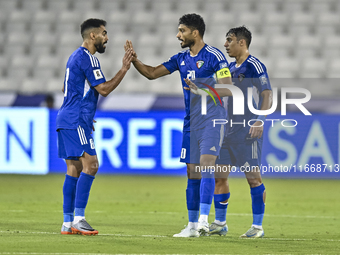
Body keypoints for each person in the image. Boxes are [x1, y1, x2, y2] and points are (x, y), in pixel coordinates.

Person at [124, 13, 232, 237]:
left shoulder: (214, 56)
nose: (178, 35)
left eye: (182, 31)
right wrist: (134, 60)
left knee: (206, 165)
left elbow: (228, 87)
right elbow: (152, 73)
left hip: (212, 118)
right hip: (191, 122)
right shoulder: (180, 59)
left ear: (195, 33)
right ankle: (192, 226)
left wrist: (201, 88)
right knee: (192, 171)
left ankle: (204, 221)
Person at [188, 26, 273, 238]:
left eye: (229, 40)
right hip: (224, 128)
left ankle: (257, 226)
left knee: (253, 177)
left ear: (241, 42)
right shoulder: (227, 69)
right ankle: (220, 222)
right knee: (220, 176)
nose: (225, 44)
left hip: (246, 129)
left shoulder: (254, 65)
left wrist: (259, 121)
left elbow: (267, 94)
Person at [56, 18, 133, 235]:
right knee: (92, 164)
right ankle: (79, 219)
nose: (106, 38)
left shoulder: (74, 57)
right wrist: (124, 68)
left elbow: (66, 87)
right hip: (75, 120)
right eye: (104, 34)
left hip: (67, 117)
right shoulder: (88, 58)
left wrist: (86, 112)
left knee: (74, 168)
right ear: (93, 36)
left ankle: (67, 222)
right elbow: (104, 89)